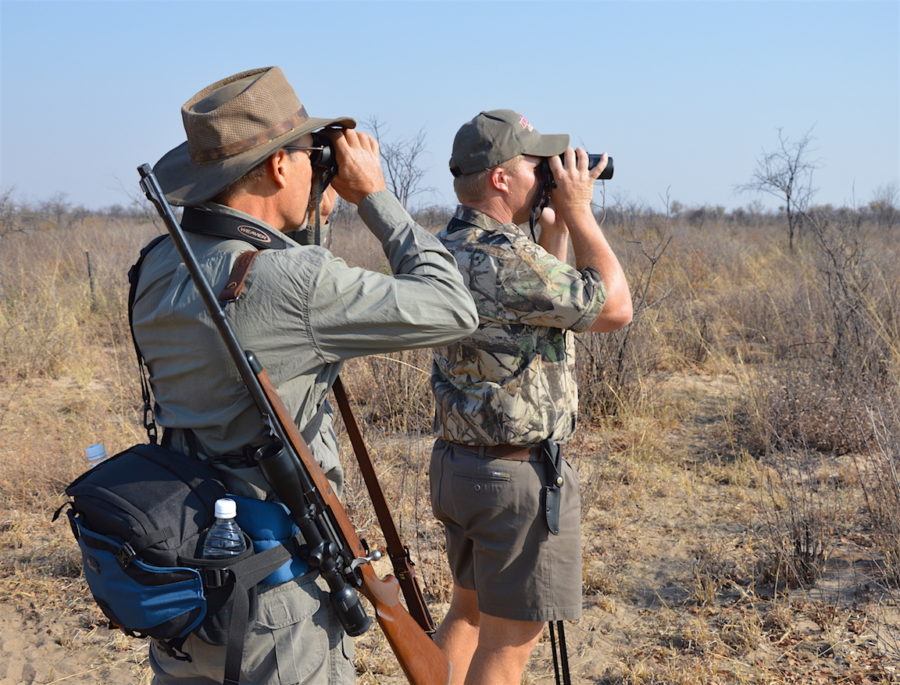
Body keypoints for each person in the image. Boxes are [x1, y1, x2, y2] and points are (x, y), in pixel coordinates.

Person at [131, 66, 478, 685]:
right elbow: (452, 307)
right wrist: (375, 196)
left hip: (189, 576)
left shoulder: (158, 264)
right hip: (278, 601)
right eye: (306, 153)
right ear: (277, 167)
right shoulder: (290, 281)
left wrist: (309, 222)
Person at [429, 109, 633, 685]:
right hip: (513, 480)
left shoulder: (446, 248)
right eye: (536, 165)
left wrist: (554, 227)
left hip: (457, 467)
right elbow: (614, 308)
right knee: (509, 644)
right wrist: (579, 211)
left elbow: (542, 296)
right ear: (500, 178)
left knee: (466, 615)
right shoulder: (507, 260)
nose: (551, 172)